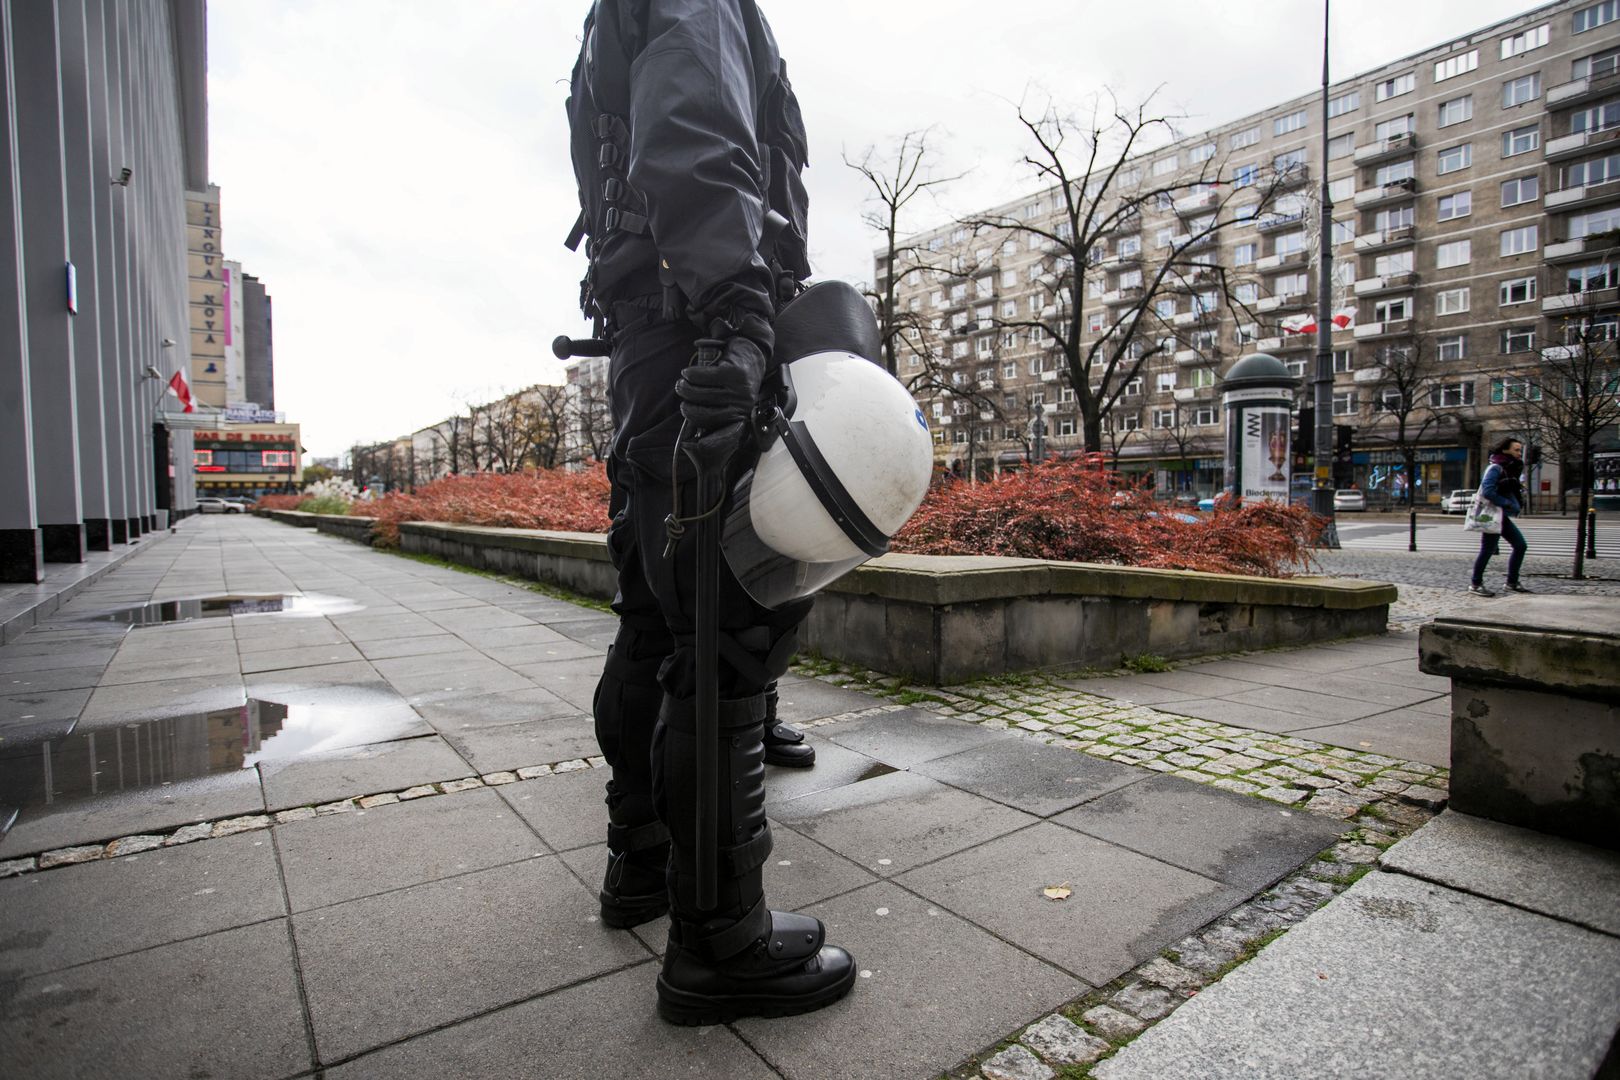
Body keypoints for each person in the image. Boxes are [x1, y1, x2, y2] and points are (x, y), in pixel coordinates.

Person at [564, 0, 855, 1024]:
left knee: (655, 613)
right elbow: (694, 129)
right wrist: (739, 313)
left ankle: (638, 863)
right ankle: (719, 941)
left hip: (651, 338)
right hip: (701, 325)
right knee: (724, 636)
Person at [1470, 437, 1531, 596]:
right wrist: (1507, 503)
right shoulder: (1496, 468)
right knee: (1488, 549)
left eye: (1520, 450)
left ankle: (1511, 582)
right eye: (1516, 450)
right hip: (1492, 514)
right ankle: (1476, 584)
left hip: (1501, 514)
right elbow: (1487, 491)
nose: (1519, 453)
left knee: (1520, 545)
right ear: (1505, 450)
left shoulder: (1510, 469)